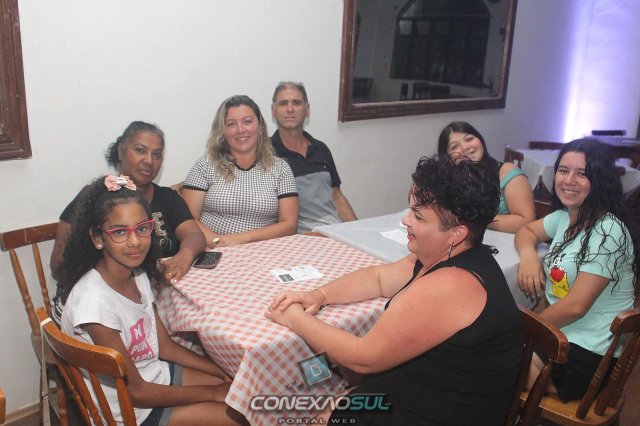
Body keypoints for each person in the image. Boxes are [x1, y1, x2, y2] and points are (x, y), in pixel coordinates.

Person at [267, 155, 523, 424]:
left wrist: (295, 318)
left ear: (456, 233)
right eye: (410, 209)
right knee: (318, 396)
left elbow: (363, 358)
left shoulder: (450, 285)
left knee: (301, 407)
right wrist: (319, 295)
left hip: (444, 413)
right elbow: (379, 278)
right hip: (429, 389)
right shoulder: (449, 255)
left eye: (418, 216)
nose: (405, 220)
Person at [57, 175, 246, 425]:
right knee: (241, 416)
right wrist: (213, 392)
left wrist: (220, 371)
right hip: (131, 411)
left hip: (153, 374)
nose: (135, 241)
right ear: (97, 238)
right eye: (120, 232)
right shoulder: (95, 303)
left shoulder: (137, 275)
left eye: (142, 228)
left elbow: (164, 346)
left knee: (240, 392)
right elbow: (138, 393)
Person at [516, 138, 638, 402]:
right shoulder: (565, 217)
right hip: (561, 334)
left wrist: (526, 328)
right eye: (563, 170)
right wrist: (528, 257)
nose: (569, 180)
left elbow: (575, 307)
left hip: (588, 352)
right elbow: (526, 231)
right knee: (491, 355)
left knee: (496, 363)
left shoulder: (608, 231)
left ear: (599, 180)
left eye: (582, 173)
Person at [51, 121, 206, 322]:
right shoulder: (96, 198)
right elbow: (59, 263)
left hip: (156, 300)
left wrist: (185, 254)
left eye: (157, 154)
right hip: (106, 308)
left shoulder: (167, 198)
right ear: (121, 151)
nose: (149, 160)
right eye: (140, 150)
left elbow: (194, 234)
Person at [182, 95, 298, 248]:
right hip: (212, 249)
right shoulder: (205, 164)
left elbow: (289, 224)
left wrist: (243, 239)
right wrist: (219, 243)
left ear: (260, 126)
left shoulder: (281, 168)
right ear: (222, 131)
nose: (240, 130)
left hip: (264, 251)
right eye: (231, 124)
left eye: (247, 121)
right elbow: (187, 218)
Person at [270, 81, 357, 233]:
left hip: (334, 230)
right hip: (299, 237)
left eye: (296, 103)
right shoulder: (266, 153)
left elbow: (336, 195)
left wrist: (357, 229)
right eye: (283, 103)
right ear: (273, 111)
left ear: (307, 110)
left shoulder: (321, 149)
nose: (290, 109)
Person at [438, 121, 535, 233]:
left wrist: (476, 219)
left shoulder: (507, 172)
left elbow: (526, 221)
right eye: (454, 146)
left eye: (469, 139)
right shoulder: (449, 181)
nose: (465, 147)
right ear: (447, 157)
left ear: (480, 140)